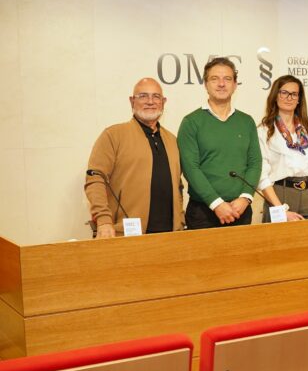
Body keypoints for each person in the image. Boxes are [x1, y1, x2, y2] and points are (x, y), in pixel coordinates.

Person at [85, 77, 183, 237]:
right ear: (132, 101)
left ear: (163, 102)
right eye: (143, 96)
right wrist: (103, 220)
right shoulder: (113, 135)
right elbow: (95, 179)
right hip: (125, 235)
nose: (150, 101)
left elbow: (178, 186)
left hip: (170, 236)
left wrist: (180, 221)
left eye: (156, 96)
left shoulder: (172, 140)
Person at [178, 58, 261, 229]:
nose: (221, 84)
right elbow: (190, 168)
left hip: (240, 210)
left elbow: (255, 163)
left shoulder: (246, 122)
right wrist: (216, 203)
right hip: (203, 213)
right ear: (205, 84)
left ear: (235, 85)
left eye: (227, 79)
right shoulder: (191, 122)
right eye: (214, 79)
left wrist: (245, 197)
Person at [257, 75, 308, 222]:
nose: (289, 98)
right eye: (284, 93)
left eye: (294, 94)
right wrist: (281, 210)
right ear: (275, 96)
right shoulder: (264, 131)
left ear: (299, 99)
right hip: (280, 196)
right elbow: (262, 175)